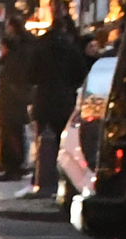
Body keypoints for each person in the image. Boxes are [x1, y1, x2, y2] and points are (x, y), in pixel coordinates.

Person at [23, 12, 86, 198]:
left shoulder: (40, 46)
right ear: (64, 28)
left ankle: (41, 179)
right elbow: (81, 73)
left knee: (42, 141)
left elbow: (30, 75)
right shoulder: (71, 48)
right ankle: (63, 182)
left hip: (43, 99)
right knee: (64, 143)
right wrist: (69, 86)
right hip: (65, 99)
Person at [0, 17, 35, 181]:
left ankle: (14, 168)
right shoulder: (13, 60)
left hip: (12, 105)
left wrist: (1, 103)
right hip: (11, 104)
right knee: (11, 135)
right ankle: (11, 166)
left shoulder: (12, 63)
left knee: (13, 136)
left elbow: (8, 86)